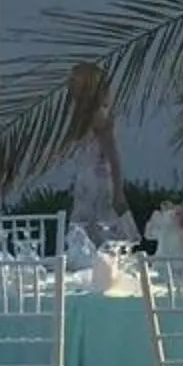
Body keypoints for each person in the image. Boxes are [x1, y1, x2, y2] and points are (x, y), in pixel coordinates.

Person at [58, 61, 129, 242]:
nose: (70, 85)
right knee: (83, 233)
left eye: (75, 81)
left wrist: (118, 192)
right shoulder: (82, 115)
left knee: (99, 233)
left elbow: (114, 157)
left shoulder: (98, 115)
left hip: (98, 183)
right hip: (86, 181)